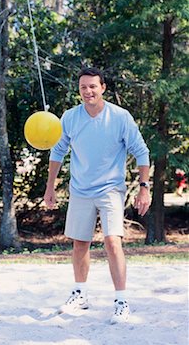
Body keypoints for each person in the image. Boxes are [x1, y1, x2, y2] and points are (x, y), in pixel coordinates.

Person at [44, 67, 151, 324]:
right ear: (79, 90)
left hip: (111, 189)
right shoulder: (70, 117)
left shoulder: (120, 117)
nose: (88, 91)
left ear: (103, 88)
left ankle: (121, 301)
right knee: (80, 243)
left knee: (112, 241)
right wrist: (50, 187)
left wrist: (144, 187)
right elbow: (57, 152)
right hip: (81, 189)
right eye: (83, 87)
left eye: (93, 86)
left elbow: (141, 152)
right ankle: (80, 294)